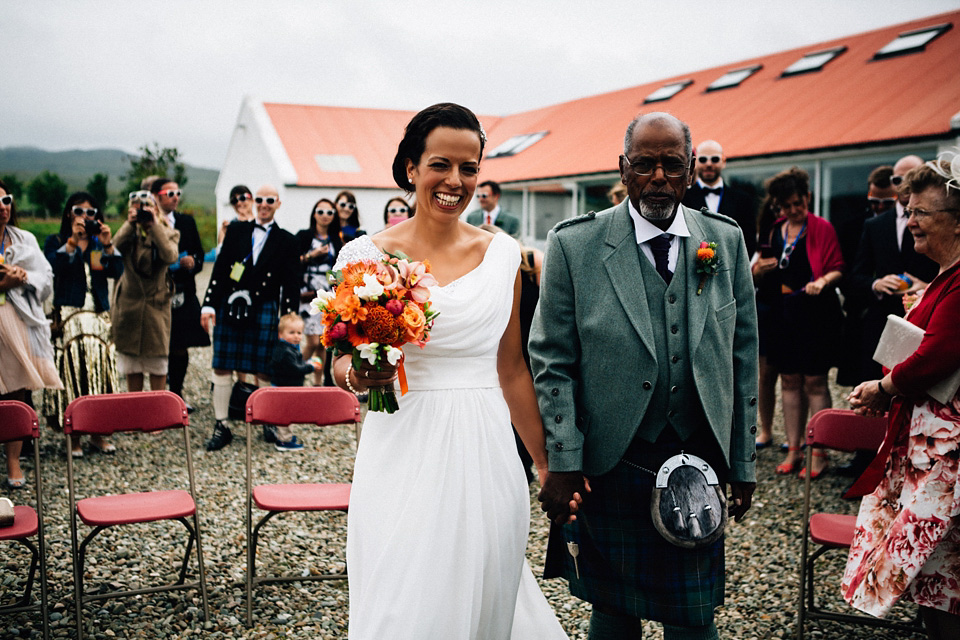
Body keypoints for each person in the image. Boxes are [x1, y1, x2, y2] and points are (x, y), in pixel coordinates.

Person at [332, 102, 567, 639]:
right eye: (440, 164)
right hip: (401, 445)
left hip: (485, 452)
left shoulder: (505, 255)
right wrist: (358, 378)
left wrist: (547, 463)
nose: (454, 181)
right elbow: (339, 361)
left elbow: (511, 370)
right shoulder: (364, 256)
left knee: (484, 591)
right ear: (411, 168)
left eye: (469, 168)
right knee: (402, 594)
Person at [530, 112, 758, 640]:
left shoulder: (724, 242)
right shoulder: (575, 244)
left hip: (698, 457)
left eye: (672, 165)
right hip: (612, 460)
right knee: (612, 612)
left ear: (692, 170)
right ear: (623, 169)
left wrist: (743, 460)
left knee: (693, 617)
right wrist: (563, 460)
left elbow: (744, 355)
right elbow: (551, 359)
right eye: (644, 164)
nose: (658, 177)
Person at [843, 154, 960, 639]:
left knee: (943, 575)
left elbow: (940, 353)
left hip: (947, 459)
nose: (909, 221)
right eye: (908, 210)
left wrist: (883, 387)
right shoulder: (945, 274)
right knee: (935, 579)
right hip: (926, 450)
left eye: (920, 213)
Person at [753, 167, 843, 479]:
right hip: (783, 314)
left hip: (815, 315)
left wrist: (823, 281)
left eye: (798, 203)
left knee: (815, 382)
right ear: (778, 205)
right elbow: (758, 269)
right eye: (787, 205)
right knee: (788, 381)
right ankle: (794, 449)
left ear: (807, 197)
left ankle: (819, 451)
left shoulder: (822, 228)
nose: (794, 210)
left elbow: (837, 268)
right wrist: (760, 270)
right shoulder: (774, 230)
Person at [201, 185, 300, 451]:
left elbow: (291, 284)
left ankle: (267, 419)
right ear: (254, 202)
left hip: (264, 306)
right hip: (231, 305)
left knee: (263, 368)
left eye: (270, 200)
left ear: (278, 204)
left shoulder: (287, 240)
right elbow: (221, 271)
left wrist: (289, 321)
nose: (264, 204)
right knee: (222, 365)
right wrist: (208, 305)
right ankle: (222, 424)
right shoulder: (236, 230)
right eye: (260, 200)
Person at [41, 192, 122, 456]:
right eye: (79, 211)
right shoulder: (55, 241)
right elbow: (52, 268)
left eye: (91, 213)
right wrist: (73, 243)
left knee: (100, 371)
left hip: (98, 315)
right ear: (68, 214)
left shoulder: (99, 243)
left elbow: (117, 272)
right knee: (74, 373)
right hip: (70, 315)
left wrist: (109, 246)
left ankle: (98, 433)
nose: (85, 217)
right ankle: (74, 435)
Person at [0, 179, 62, 488]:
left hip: (16, 322)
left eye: (6, 200)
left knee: (16, 390)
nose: (3, 206)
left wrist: (22, 276)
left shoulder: (24, 240)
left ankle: (14, 460)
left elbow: (46, 278)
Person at [110, 190, 180, 393]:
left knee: (158, 366)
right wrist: (129, 224)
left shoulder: (169, 232)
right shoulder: (129, 235)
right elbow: (113, 250)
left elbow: (170, 256)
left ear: (156, 210)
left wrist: (154, 227)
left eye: (147, 207)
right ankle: (135, 420)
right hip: (129, 306)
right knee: (132, 367)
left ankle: (156, 422)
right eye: (136, 208)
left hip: (155, 307)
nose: (142, 212)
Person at [151, 178, 209, 409]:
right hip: (156, 292)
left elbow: (200, 255)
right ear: (156, 195)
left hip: (183, 291)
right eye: (169, 193)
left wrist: (193, 262)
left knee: (180, 345)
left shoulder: (186, 221)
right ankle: (157, 397)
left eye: (178, 193)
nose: (175, 197)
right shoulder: (148, 222)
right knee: (157, 347)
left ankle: (176, 394)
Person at [295, 198, 341, 386]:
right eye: (321, 212)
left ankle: (317, 381)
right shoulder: (304, 236)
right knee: (313, 341)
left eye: (329, 212)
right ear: (314, 214)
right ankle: (295, 370)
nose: (324, 216)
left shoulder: (335, 240)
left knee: (323, 341)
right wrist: (311, 256)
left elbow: (339, 267)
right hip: (307, 291)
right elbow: (292, 260)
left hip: (327, 291)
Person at [682, 139, 757, 256]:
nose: (709, 164)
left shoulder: (743, 200)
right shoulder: (683, 199)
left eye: (714, 159)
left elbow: (749, 240)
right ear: (695, 163)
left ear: (723, 161)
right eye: (703, 159)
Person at [265, 313, 321, 451]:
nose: (296, 336)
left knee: (286, 413)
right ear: (280, 334)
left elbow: (296, 363)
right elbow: (295, 368)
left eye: (299, 333)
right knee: (285, 415)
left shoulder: (288, 348)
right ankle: (284, 441)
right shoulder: (285, 352)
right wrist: (310, 367)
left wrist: (306, 362)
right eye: (292, 332)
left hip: (285, 387)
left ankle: (285, 436)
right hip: (284, 389)